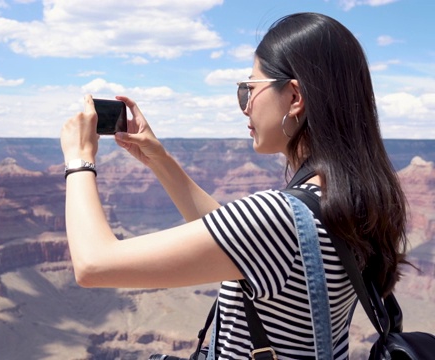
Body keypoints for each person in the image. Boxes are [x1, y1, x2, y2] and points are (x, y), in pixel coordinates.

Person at [60, 12, 407, 359]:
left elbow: (93, 264)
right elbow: (240, 239)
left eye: (249, 89)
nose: (244, 107)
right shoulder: (350, 200)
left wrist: (79, 160)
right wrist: (158, 159)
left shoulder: (279, 216)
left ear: (294, 97)